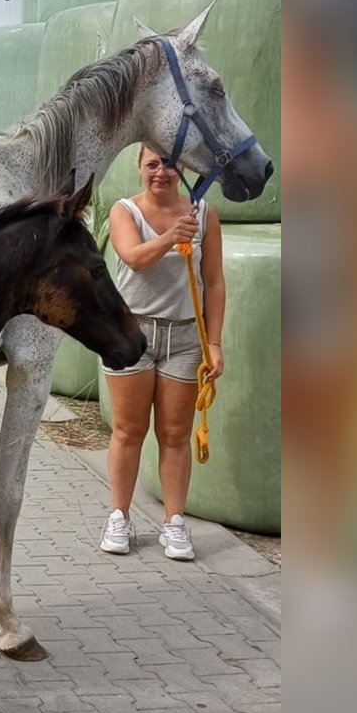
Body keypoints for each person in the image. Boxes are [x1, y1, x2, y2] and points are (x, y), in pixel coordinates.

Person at [99, 145, 225, 561]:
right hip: (132, 333)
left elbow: (215, 282)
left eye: (170, 164)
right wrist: (173, 236)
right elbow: (133, 259)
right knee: (128, 430)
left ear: (183, 168)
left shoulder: (204, 214)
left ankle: (174, 523)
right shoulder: (124, 211)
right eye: (152, 164)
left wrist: (214, 343)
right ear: (139, 169)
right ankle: (119, 516)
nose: (161, 172)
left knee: (174, 435)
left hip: (185, 337)